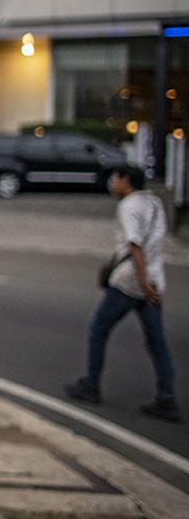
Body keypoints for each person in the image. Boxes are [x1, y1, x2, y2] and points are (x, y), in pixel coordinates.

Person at [65, 167, 180, 423]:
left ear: (126, 181)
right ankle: (167, 398)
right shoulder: (155, 203)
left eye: (115, 178)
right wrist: (149, 284)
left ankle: (91, 384)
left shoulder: (129, 206)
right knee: (157, 342)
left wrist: (141, 283)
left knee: (98, 329)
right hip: (155, 279)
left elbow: (135, 245)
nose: (112, 183)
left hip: (131, 282)